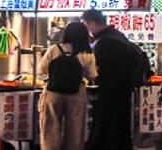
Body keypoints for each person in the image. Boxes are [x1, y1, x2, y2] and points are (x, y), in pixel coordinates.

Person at [81, 8, 145, 150]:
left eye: (84, 25)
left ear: (91, 23)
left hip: (110, 91)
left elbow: (99, 70)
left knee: (107, 126)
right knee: (119, 128)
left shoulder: (105, 42)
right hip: (123, 90)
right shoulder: (117, 36)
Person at [39, 21, 97, 150]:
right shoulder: (87, 53)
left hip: (53, 91)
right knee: (76, 127)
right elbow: (92, 75)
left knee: (50, 125)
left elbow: (42, 69)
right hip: (76, 91)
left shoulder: (54, 49)